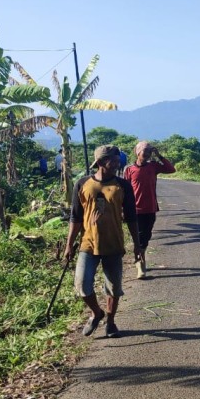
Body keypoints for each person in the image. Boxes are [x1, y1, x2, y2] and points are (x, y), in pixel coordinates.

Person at [65, 145, 141, 339]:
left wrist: (137, 246)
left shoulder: (123, 186)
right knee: (82, 285)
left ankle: (111, 322)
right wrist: (68, 246)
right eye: (112, 161)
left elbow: (132, 217)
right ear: (100, 163)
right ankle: (97, 313)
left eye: (118, 161)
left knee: (114, 288)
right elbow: (75, 218)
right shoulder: (82, 184)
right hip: (88, 244)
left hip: (114, 244)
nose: (117, 164)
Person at [123, 141, 176, 279]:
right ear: (137, 153)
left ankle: (141, 257)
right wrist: (123, 208)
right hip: (135, 209)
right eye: (144, 152)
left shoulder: (153, 166)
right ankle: (140, 264)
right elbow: (125, 191)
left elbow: (171, 169)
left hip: (150, 208)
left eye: (148, 152)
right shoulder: (129, 170)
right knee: (139, 237)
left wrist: (159, 155)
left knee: (146, 236)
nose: (146, 155)